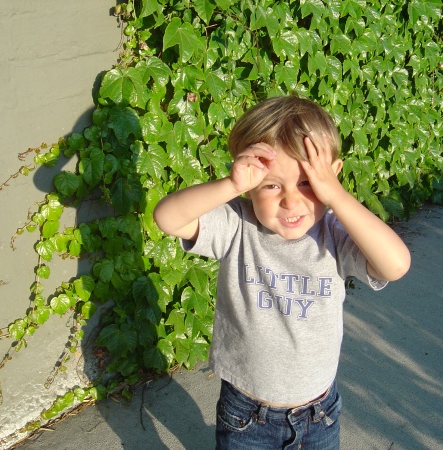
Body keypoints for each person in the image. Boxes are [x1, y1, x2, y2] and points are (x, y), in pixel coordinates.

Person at [153, 95, 411, 449]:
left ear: (332, 176)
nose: (291, 201)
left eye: (307, 183)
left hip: (319, 414)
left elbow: (396, 265)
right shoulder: (237, 225)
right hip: (246, 413)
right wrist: (231, 186)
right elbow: (167, 218)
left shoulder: (335, 235)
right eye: (271, 185)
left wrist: (337, 197)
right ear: (250, 186)